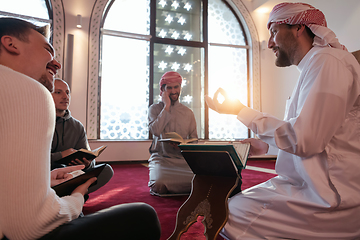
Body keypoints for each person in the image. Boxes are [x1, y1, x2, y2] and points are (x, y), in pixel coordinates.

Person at [206, 2, 360, 239]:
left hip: (330, 194)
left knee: (226, 214)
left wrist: (240, 110)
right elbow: (318, 134)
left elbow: (307, 140)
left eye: (274, 32)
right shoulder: (317, 64)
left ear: (299, 28)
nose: (269, 43)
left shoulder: (328, 61)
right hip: (309, 183)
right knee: (229, 207)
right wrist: (265, 145)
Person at [0, 17, 160, 240]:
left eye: (67, 93)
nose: (56, 64)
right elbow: (28, 227)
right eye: (48, 50)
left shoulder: (75, 125)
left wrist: (48, 178)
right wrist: (76, 198)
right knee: (143, 215)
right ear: (11, 44)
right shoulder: (28, 91)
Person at [51, 78, 113, 193]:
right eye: (58, 92)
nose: (65, 97)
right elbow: (31, 160)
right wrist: (61, 155)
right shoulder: (38, 122)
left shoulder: (77, 126)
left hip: (70, 174)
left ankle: (67, 194)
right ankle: (73, 194)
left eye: (68, 92)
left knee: (106, 170)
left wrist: (87, 163)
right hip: (47, 175)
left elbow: (89, 157)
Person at [148, 71, 198, 195]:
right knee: (159, 184)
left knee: (201, 182)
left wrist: (184, 145)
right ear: (163, 90)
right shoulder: (154, 109)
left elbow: (194, 139)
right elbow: (155, 131)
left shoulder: (188, 112)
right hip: (161, 159)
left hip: (183, 159)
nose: (173, 90)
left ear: (180, 87)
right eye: (169, 88)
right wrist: (167, 106)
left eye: (176, 87)